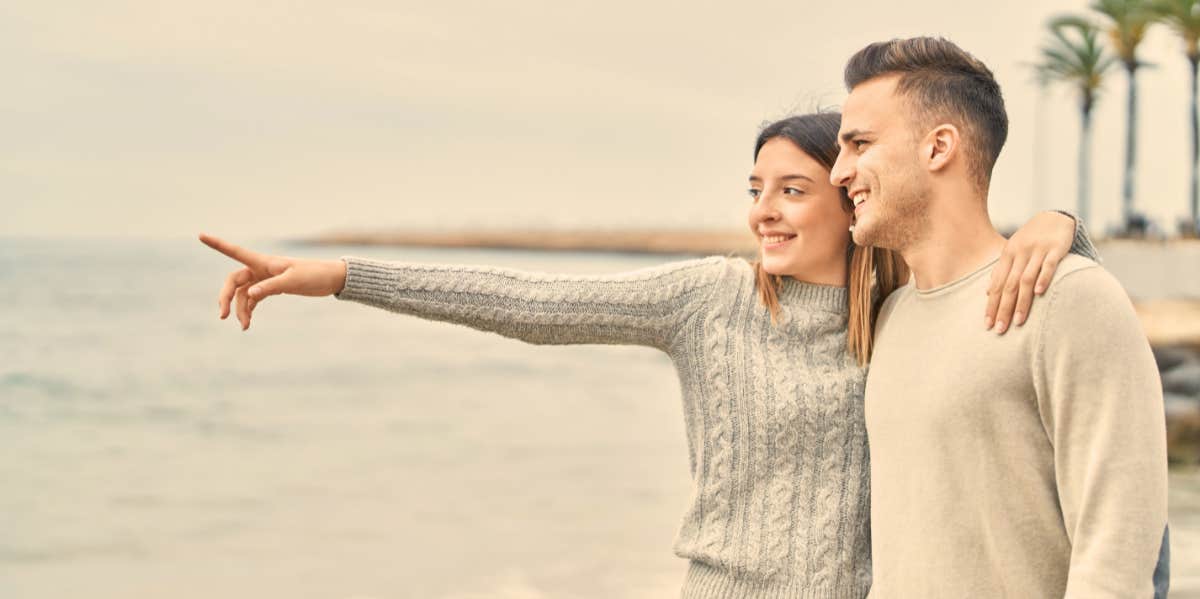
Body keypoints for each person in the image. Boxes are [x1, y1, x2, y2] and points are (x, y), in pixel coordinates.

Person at [200, 113, 1094, 598]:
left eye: (793, 189)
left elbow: (1008, 285)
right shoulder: (710, 297)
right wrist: (344, 276)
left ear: (850, 197)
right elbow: (528, 305)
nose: (765, 212)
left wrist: (1063, 227)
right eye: (755, 191)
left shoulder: (903, 308)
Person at [830, 37, 1170, 598]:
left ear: (939, 147)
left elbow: (1117, 551)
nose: (840, 172)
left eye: (860, 144)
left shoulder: (1068, 298)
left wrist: (1066, 228)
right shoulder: (888, 315)